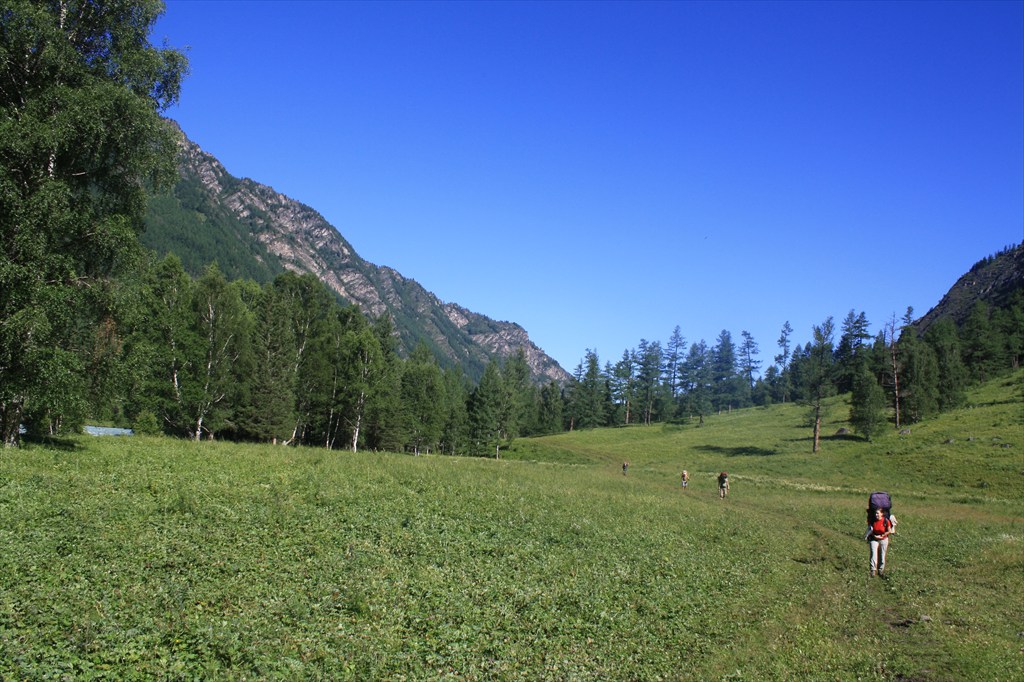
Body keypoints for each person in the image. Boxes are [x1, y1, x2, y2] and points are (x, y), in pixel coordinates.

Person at [865, 507, 894, 576]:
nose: (876, 515)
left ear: (882, 514)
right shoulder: (873, 521)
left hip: (883, 539)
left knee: (882, 555)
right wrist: (874, 536)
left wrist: (883, 535)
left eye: (878, 513)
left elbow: (889, 530)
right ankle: (873, 570)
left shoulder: (886, 521)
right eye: (875, 513)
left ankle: (881, 570)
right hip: (874, 538)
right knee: (873, 554)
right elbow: (870, 530)